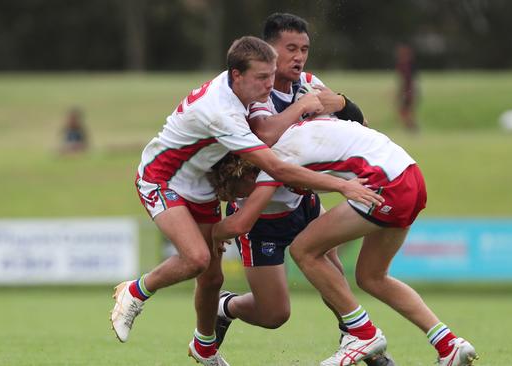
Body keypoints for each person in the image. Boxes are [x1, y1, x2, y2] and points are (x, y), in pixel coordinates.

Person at [109, 36, 383, 366]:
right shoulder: (222, 112)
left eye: (271, 76)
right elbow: (276, 167)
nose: (269, 85)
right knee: (196, 259)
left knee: (212, 279)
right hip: (162, 180)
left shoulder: (242, 93)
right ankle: (136, 292)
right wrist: (342, 187)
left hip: (203, 187)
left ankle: (205, 348)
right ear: (236, 75)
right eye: (261, 78)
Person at [210, 116, 478, 366]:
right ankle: (449, 344)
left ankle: (363, 334)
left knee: (304, 250)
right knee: (372, 277)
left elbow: (242, 222)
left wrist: (209, 236)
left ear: (246, 173)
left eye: (237, 193)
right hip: (410, 174)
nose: (241, 198)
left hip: (386, 185)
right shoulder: (294, 130)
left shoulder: (275, 163)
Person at [213, 13, 393, 366]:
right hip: (261, 214)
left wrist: (342, 103)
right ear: (269, 50)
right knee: (274, 314)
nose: (299, 57)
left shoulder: (308, 82)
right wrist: (301, 108)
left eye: (305, 49)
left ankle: (361, 342)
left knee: (333, 274)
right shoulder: (253, 89)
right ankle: (225, 306)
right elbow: (264, 134)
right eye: (290, 48)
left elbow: (361, 126)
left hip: (303, 199)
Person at [395, 43, 418, 131]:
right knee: (405, 111)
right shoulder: (405, 64)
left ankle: (412, 129)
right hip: (408, 91)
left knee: (404, 111)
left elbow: (407, 81)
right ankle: (411, 128)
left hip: (408, 91)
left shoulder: (406, 64)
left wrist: (406, 93)